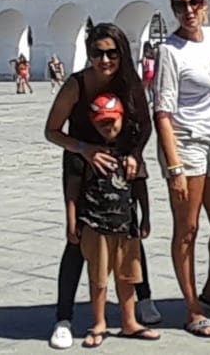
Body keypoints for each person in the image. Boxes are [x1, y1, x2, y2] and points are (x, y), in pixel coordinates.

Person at [44, 23, 161, 350]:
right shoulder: (77, 84)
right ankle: (64, 318)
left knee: (129, 231)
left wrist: (135, 154)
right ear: (89, 54)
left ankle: (142, 300)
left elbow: (146, 125)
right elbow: (52, 130)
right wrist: (85, 150)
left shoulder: (129, 81)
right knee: (77, 239)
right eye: (98, 53)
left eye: (112, 53)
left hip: (122, 162)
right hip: (83, 164)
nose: (105, 60)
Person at [153, 0, 210, 338]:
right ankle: (192, 308)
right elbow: (162, 112)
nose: (189, 10)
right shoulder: (169, 51)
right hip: (184, 144)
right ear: (173, 9)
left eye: (195, 2)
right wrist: (173, 166)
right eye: (181, 4)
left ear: (205, 4)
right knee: (187, 228)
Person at [66, 93, 160, 347]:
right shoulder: (87, 153)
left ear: (122, 119)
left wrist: (146, 217)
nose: (108, 127)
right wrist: (71, 220)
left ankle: (129, 321)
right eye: (102, 123)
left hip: (126, 225)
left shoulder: (131, 152)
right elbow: (73, 189)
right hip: (95, 224)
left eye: (112, 121)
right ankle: (99, 323)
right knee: (98, 279)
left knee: (128, 277)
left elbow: (140, 186)